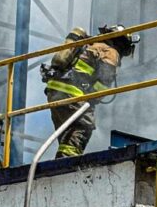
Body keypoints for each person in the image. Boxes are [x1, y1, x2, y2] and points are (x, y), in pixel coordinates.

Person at [41, 24, 139, 158]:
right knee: (84, 126)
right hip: (73, 92)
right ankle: (67, 162)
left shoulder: (89, 44)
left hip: (54, 91)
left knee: (68, 131)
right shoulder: (111, 52)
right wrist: (94, 97)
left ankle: (64, 157)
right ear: (123, 43)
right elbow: (104, 80)